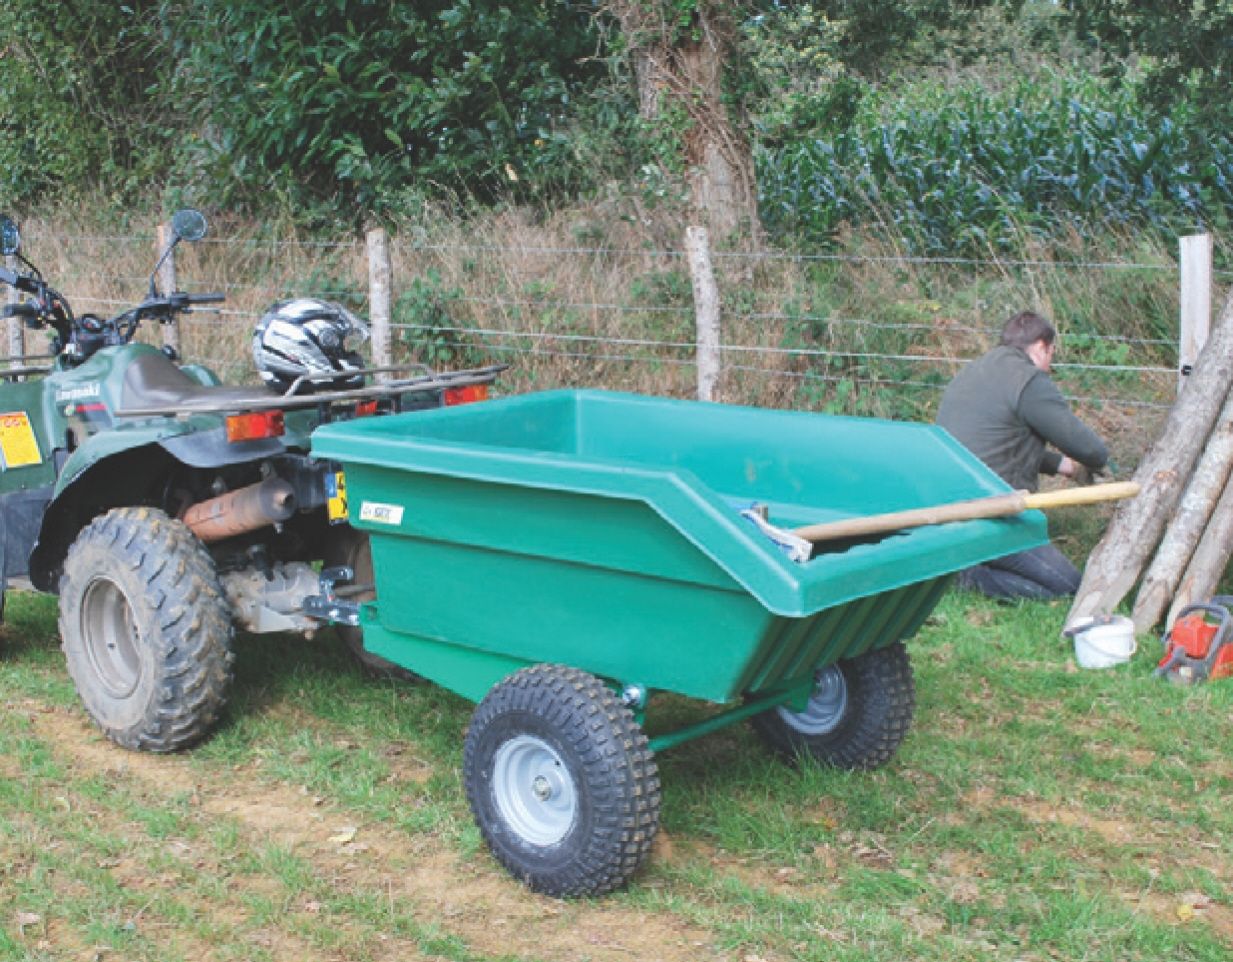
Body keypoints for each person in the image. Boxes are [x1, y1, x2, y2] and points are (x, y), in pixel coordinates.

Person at [936, 310, 1108, 600]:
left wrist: (1061, 466)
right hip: (992, 514)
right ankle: (967, 578)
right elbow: (1089, 448)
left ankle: (962, 563)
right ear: (1042, 346)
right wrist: (1101, 463)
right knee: (1069, 588)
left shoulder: (974, 371)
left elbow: (996, 443)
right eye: (1052, 353)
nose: (1050, 365)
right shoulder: (1027, 381)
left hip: (948, 509)